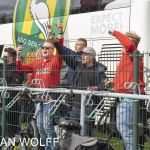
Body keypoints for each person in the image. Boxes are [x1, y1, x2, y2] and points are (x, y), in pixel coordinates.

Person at [48, 31, 107, 136]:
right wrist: (56, 43)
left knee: (86, 131)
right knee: (72, 130)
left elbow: (103, 86)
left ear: (92, 57)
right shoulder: (78, 65)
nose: (82, 56)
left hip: (89, 105)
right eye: (82, 54)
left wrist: (96, 88)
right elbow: (66, 54)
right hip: (75, 105)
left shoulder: (99, 69)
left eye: (85, 55)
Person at [16, 23, 63, 149]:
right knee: (41, 127)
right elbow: (21, 69)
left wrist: (59, 34)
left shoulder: (55, 61)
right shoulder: (37, 62)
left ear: (52, 50)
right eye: (43, 47)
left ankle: (52, 147)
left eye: (47, 48)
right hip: (38, 100)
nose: (44, 49)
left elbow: (60, 49)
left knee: (47, 126)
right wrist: (18, 55)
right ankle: (45, 147)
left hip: (50, 99)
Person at [108, 30, 145, 150]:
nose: (121, 46)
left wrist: (115, 32)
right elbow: (127, 76)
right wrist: (113, 82)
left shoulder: (133, 52)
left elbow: (129, 45)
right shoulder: (127, 56)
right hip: (124, 96)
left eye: (122, 43)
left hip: (128, 96)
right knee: (124, 128)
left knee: (124, 128)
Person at [0, 47, 24, 137]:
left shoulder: (16, 69)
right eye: (3, 57)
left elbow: (14, 87)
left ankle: (11, 142)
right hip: (3, 103)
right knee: (4, 126)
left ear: (11, 58)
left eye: (5, 57)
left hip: (12, 104)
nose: (3, 59)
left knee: (10, 129)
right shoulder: (2, 68)